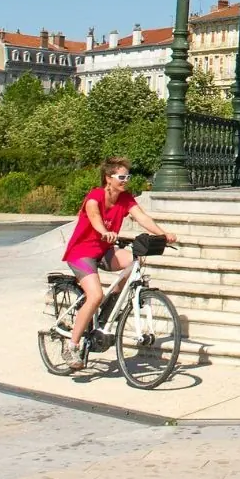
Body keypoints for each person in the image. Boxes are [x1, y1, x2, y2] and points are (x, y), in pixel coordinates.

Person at [55, 157, 175, 368]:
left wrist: (164, 234)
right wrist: (103, 232)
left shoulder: (126, 198)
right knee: (95, 295)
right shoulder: (96, 195)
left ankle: (111, 307)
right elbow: (93, 215)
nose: (126, 180)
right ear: (108, 178)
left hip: (103, 251)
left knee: (134, 260)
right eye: (121, 177)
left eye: (128, 176)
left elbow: (142, 217)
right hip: (81, 253)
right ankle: (72, 346)